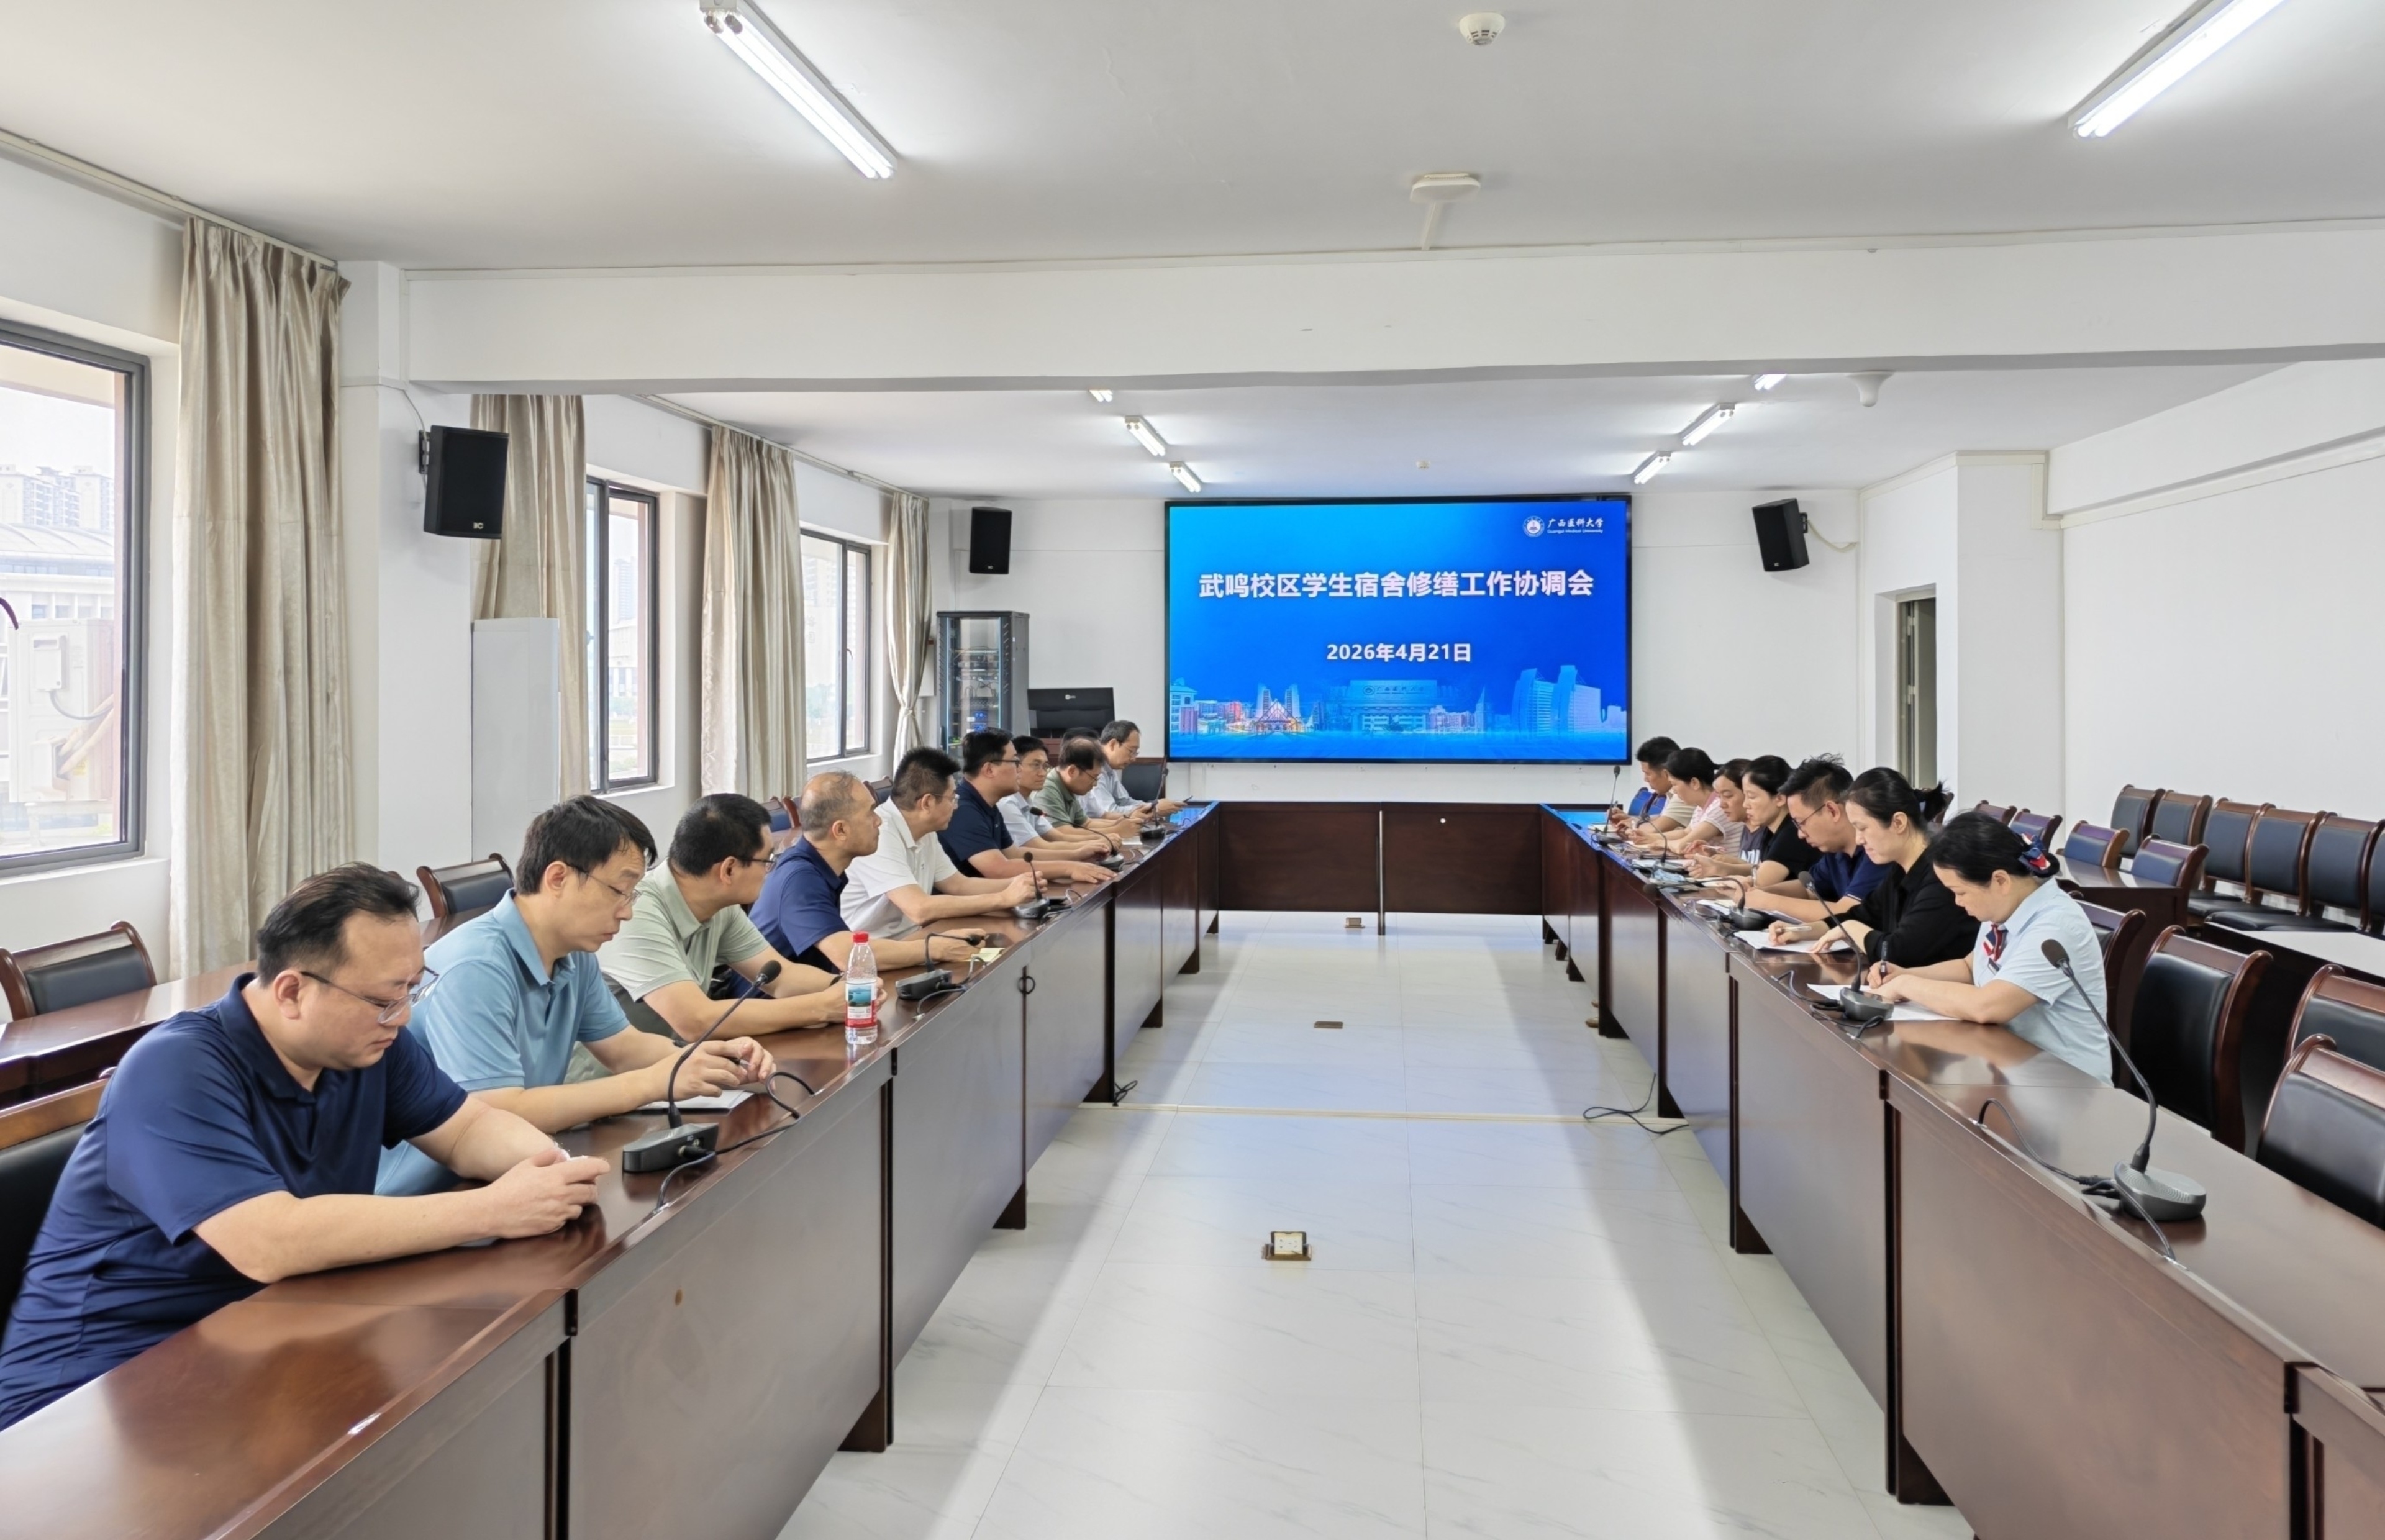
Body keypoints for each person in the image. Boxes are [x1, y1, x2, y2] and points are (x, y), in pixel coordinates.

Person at [0, 866, 607, 1431]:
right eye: (384, 999)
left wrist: (551, 1171)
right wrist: (493, 1209)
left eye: (411, 989)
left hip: (266, 1331)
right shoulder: (175, 1068)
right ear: (292, 992)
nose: (401, 1017)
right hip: (93, 1394)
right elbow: (266, 1240)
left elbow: (468, 1128)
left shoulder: (368, 1044)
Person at [377, 797, 776, 1196]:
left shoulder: (573, 953)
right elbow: (496, 1110)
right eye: (620, 891)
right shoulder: (476, 966)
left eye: (633, 895)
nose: (627, 912)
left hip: (513, 1174)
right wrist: (651, 1083)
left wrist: (710, 1059)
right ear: (558, 878)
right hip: (428, 1194)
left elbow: (625, 1048)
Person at [1868, 813, 2114, 1082]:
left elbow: (1988, 1006)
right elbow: (1970, 967)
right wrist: (1904, 973)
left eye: (1960, 892)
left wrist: (1906, 985)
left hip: (2065, 1085)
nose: (1957, 902)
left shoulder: (2056, 927)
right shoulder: (2006, 906)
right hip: (2009, 1065)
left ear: (2000, 881)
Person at [597, 794, 848, 1038]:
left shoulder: (720, 905)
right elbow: (695, 1020)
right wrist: (823, 1007)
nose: (769, 871)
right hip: (625, 1067)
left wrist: (851, 988)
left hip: (677, 1058)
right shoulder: (635, 912)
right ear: (729, 869)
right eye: (767, 860)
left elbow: (782, 977)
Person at [752, 771, 983, 973]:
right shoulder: (800, 879)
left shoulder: (823, 867)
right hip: (777, 1007)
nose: (878, 821)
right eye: (870, 813)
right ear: (841, 830)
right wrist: (936, 947)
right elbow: (848, 956)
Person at [1766, 768, 1969, 969]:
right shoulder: (1899, 872)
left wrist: (1850, 929)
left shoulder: (1941, 877)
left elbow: (1900, 952)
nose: (1859, 840)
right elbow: (1861, 915)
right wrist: (1802, 931)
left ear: (1898, 823)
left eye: (1862, 828)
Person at [844, 748, 1040, 938]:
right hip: (870, 948)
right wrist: (1003, 898)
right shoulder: (880, 833)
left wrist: (1020, 884)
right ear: (927, 803)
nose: (956, 806)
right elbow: (919, 909)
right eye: (952, 798)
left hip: (911, 936)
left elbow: (959, 885)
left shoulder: (925, 831)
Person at [940, 730, 1119, 887]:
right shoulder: (963, 809)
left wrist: (1078, 855)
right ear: (989, 770)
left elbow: (1015, 854)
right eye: (1015, 762)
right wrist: (1069, 868)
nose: (1019, 770)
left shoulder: (989, 805)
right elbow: (999, 869)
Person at [1732, 756, 1891, 922]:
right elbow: (1808, 890)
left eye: (1801, 823)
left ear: (1832, 811)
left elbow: (1848, 912)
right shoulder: (1835, 852)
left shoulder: (1876, 849)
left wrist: (1768, 902)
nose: (1800, 834)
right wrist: (1759, 892)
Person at [1692, 755, 1819, 886]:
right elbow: (1759, 869)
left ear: (1780, 798)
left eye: (1752, 797)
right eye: (1745, 796)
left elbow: (1760, 882)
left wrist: (1724, 872)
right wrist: (1719, 866)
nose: (1745, 804)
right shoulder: (1770, 831)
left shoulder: (1792, 833)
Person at [1001, 735, 1119, 858]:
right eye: (1036, 765)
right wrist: (1093, 845)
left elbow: (1057, 837)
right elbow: (1040, 846)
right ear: (1017, 766)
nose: (1043, 773)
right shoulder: (1007, 803)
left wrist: (1100, 840)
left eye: (1045, 766)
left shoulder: (1027, 802)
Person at [1034, 738, 1143, 840]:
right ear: (1072, 771)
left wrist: (1120, 822)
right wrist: (1117, 830)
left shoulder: (1069, 787)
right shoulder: (1047, 788)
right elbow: (1063, 832)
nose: (1095, 784)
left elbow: (1086, 823)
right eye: (1094, 777)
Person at [1632, 748, 1732, 853]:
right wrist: (1649, 837)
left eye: (1674, 784)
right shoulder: (1701, 807)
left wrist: (1660, 842)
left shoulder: (1718, 807)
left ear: (1694, 783)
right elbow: (1686, 833)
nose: (1674, 791)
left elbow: (1683, 846)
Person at [1088, 720, 1184, 821]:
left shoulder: (1109, 768)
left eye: (1135, 753)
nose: (1134, 759)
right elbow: (1109, 812)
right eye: (1131, 751)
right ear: (1113, 744)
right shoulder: (1093, 769)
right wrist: (1154, 808)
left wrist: (1153, 806)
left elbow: (1124, 801)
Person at [1617, 735, 1683, 828]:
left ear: (1666, 774)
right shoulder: (1671, 792)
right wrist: (1630, 819)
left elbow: (1658, 827)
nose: (1645, 779)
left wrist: (1633, 825)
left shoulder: (1683, 794)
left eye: (1647, 774)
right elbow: (1662, 817)